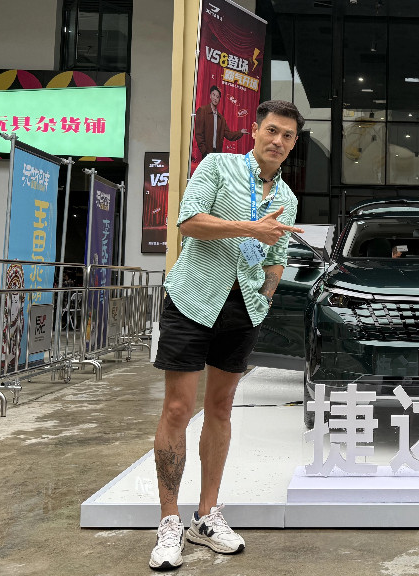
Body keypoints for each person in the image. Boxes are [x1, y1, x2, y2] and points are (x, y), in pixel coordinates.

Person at [149, 100, 305, 571]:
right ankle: (169, 522)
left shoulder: (288, 196)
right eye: (271, 130)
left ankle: (206, 515)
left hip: (243, 309)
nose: (278, 141)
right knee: (178, 408)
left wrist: (266, 297)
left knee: (220, 408)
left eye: (287, 136)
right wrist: (250, 228)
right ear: (254, 130)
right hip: (193, 297)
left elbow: (276, 256)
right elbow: (189, 222)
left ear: (294, 144)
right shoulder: (218, 166)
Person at [194, 85, 248, 160]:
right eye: (213, 95)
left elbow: (229, 135)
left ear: (219, 100)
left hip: (217, 154)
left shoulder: (221, 118)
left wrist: (240, 132)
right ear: (210, 96)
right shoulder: (202, 111)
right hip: (206, 153)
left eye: (217, 97)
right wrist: (204, 152)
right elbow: (198, 134)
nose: (215, 98)